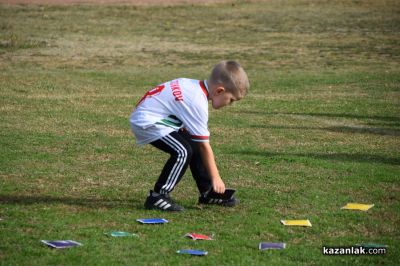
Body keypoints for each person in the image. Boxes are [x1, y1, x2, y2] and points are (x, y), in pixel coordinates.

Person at [130, 60, 249, 211]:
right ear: (219, 90)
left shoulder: (191, 85)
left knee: (193, 144)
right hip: (148, 122)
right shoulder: (197, 101)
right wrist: (216, 177)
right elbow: (205, 146)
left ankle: (207, 192)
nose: (230, 104)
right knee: (182, 151)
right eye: (231, 100)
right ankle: (158, 196)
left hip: (156, 117)